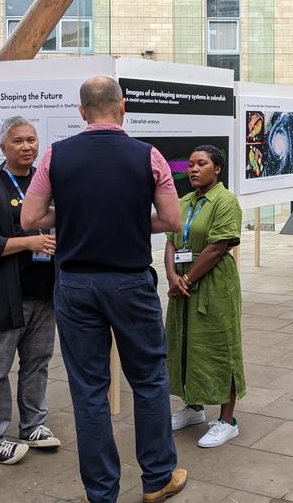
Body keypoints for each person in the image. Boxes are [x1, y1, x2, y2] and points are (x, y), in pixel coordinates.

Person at [21, 76, 187, 503]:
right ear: (123, 107)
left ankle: (101, 493)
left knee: (89, 389)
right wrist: (127, 219)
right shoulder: (148, 155)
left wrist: (76, 215)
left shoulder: (57, 155)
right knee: (149, 380)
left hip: (75, 284)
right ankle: (157, 479)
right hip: (130, 281)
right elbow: (172, 221)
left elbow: (30, 219)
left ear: (81, 113)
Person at [0, 116, 61, 466]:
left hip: (44, 294)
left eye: (32, 140)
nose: (26, 147)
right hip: (4, 296)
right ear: (3, 146)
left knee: (38, 363)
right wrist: (27, 242)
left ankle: (34, 424)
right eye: (18, 141)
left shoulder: (46, 185)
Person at [165, 145, 245, 448]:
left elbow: (216, 247)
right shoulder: (183, 201)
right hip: (182, 283)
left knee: (220, 345)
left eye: (202, 164)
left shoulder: (225, 202)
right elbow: (172, 241)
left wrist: (184, 278)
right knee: (186, 342)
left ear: (218, 169)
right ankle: (194, 407)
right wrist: (173, 276)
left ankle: (227, 420)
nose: (193, 169)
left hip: (213, 284)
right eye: (190, 164)